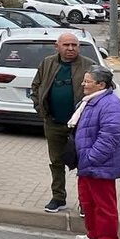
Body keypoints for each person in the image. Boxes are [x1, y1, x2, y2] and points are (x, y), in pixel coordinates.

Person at [30, 33, 92, 213]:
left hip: (81, 126)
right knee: (56, 162)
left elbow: (101, 90)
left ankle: (85, 201)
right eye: (66, 45)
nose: (71, 48)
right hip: (53, 122)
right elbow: (36, 86)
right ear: (57, 46)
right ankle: (58, 197)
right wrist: (40, 107)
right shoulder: (48, 63)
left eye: (74, 45)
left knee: (83, 163)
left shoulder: (89, 65)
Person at [71, 66, 120, 239]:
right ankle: (94, 234)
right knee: (88, 201)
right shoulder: (91, 101)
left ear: (101, 84)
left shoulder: (111, 105)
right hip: (87, 162)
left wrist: (91, 158)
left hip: (99, 163)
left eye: (87, 81)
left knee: (104, 204)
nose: (83, 84)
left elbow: (110, 137)